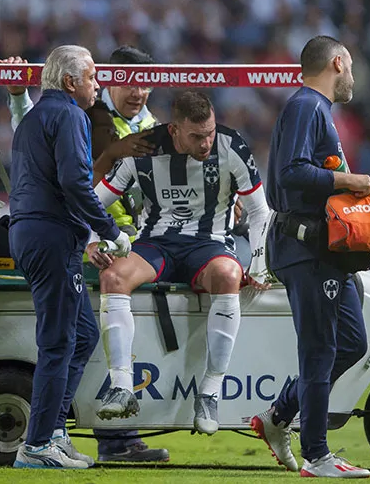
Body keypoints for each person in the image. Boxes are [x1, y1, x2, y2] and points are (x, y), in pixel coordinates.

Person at [2, 45, 171, 463]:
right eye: (93, 77)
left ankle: (53, 431)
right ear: (70, 82)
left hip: (33, 231)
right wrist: (112, 231)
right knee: (59, 342)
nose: (97, 84)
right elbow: (77, 185)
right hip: (52, 235)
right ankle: (39, 444)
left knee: (82, 335)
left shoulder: (36, 117)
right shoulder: (71, 115)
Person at [90, 90, 273, 436]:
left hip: (209, 243)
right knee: (113, 277)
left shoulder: (231, 146)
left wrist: (260, 262)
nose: (206, 143)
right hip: (156, 243)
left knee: (229, 273)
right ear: (174, 129)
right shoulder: (142, 148)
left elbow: (259, 210)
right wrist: (90, 242)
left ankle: (210, 392)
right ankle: (122, 387)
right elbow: (95, 203)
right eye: (196, 136)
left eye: (210, 133)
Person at [250, 35, 370, 478]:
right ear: (338, 63)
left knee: (352, 342)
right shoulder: (307, 106)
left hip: (323, 249)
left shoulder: (312, 109)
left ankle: (277, 416)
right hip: (304, 246)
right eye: (352, 67)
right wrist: (349, 181)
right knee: (320, 351)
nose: (353, 78)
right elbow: (291, 173)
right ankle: (317, 457)